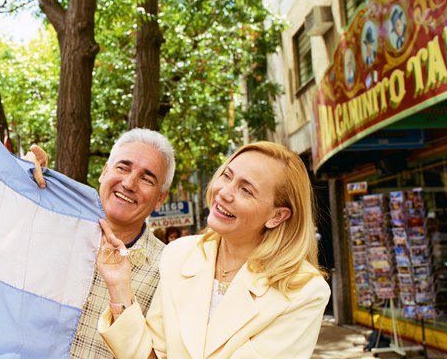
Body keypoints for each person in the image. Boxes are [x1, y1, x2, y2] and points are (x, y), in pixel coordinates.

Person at [95, 141, 330, 358]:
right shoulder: (178, 255)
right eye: (227, 176)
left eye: (246, 190)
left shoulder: (304, 290)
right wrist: (119, 287)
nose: (224, 192)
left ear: (277, 216)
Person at [25, 128, 175, 358]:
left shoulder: (170, 272)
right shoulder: (54, 228)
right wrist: (19, 184)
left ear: (160, 199)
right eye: (123, 168)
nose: (129, 183)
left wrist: (120, 293)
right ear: (105, 172)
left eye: (146, 178)